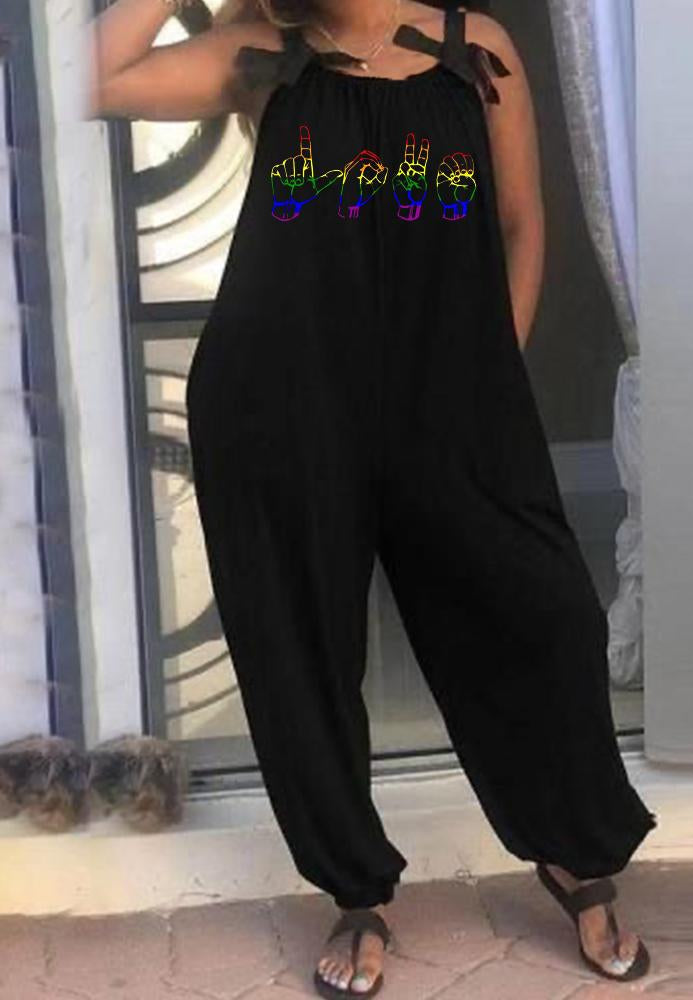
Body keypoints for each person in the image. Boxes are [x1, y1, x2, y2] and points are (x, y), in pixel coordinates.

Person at [86, 0, 658, 995]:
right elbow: (97, 75)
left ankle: (573, 853)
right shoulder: (265, 52)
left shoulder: (475, 49)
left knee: (546, 615)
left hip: (451, 400)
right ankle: (355, 890)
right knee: (302, 650)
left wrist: (487, 375)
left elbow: (522, 224)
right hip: (283, 403)